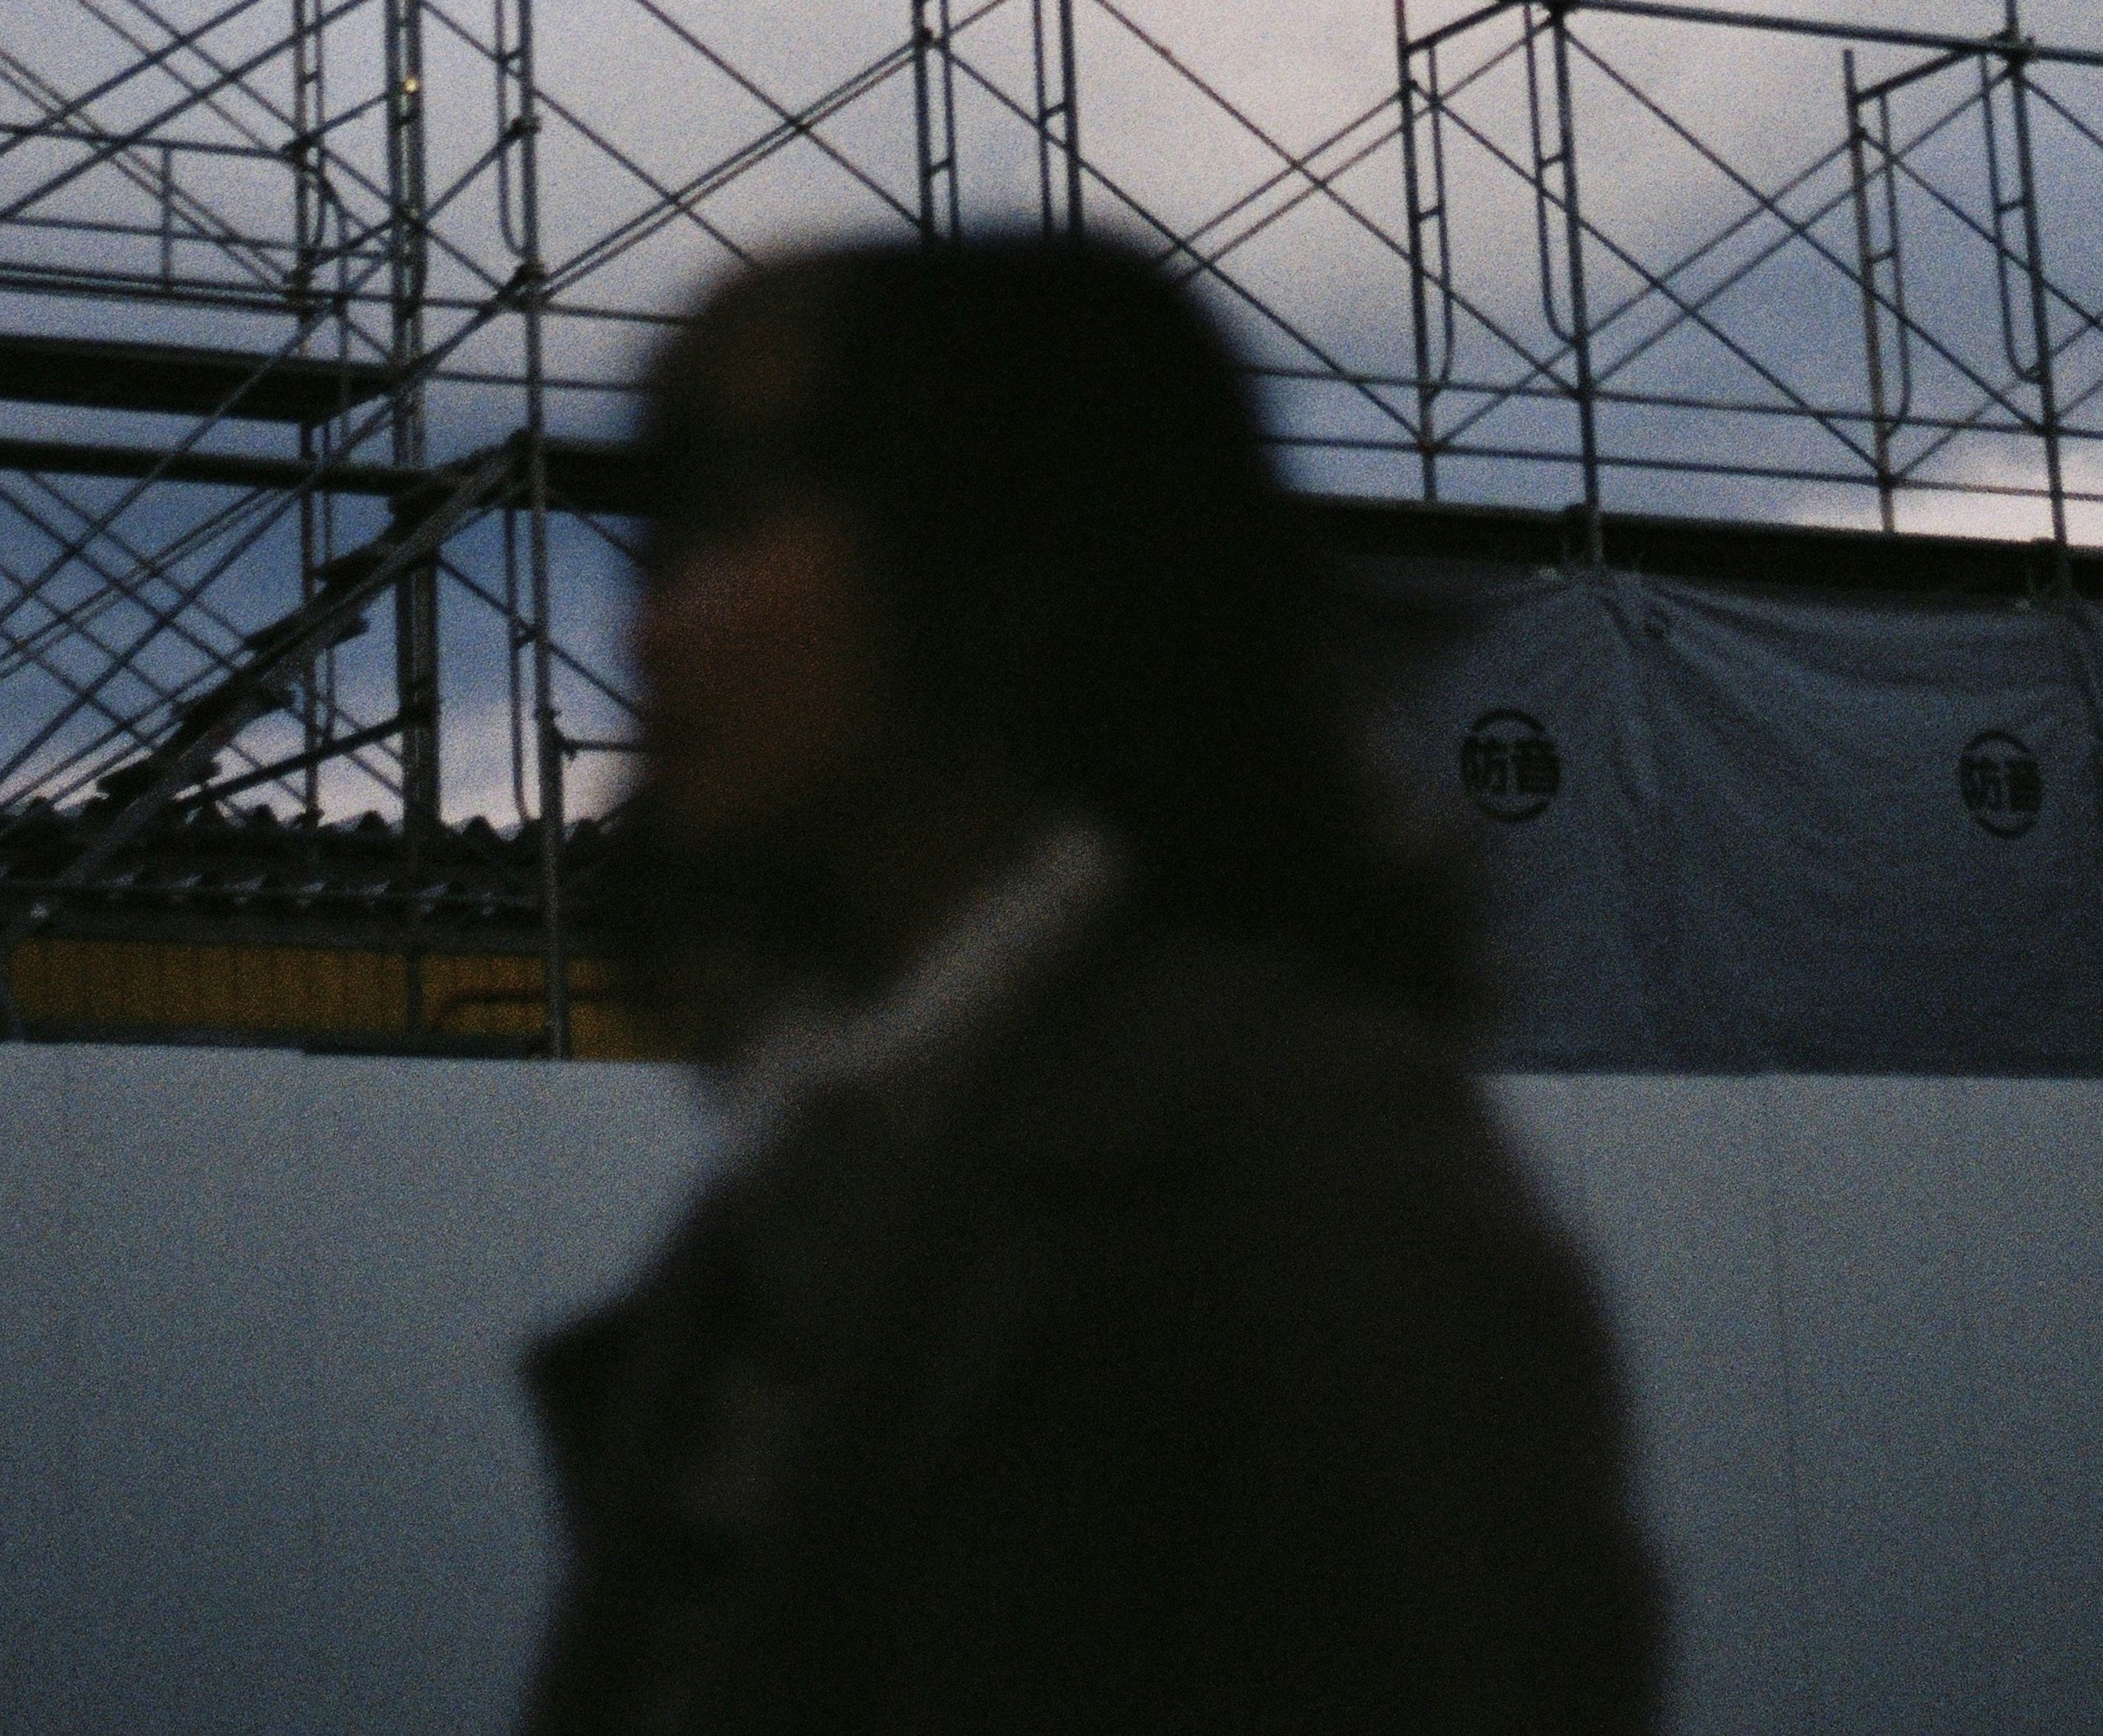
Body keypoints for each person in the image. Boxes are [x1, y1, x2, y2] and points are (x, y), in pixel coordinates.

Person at [518, 225, 1669, 1736]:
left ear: (1003, 561)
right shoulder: (813, 1200)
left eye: (736, 530)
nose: (654, 627)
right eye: (663, 549)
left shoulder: (1317, 1196)